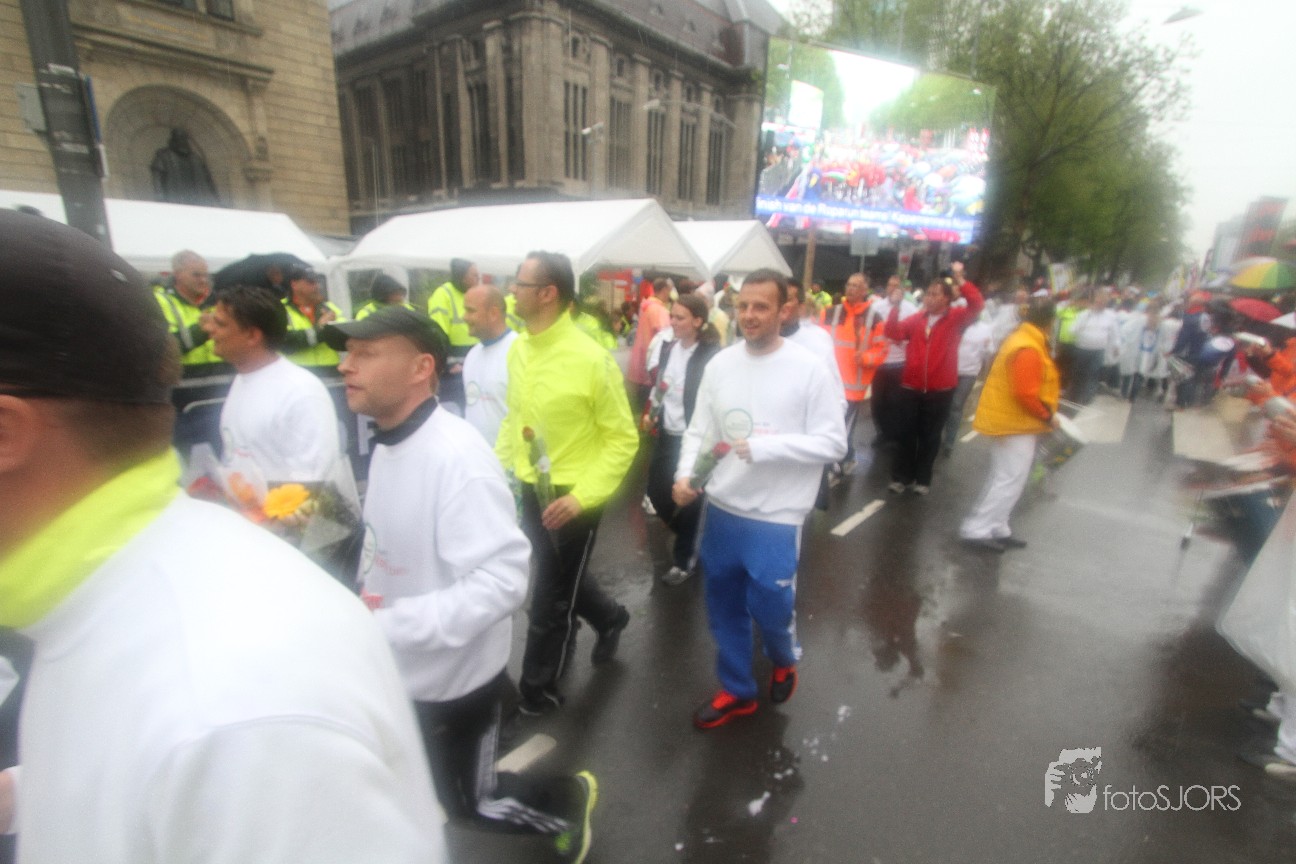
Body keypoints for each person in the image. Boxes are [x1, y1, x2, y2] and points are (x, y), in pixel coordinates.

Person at [0, 209, 445, 863]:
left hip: (311, 542)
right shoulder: (75, 617)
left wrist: (257, 523)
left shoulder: (237, 707)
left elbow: (318, 490)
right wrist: (28, 790)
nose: (206, 328)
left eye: (219, 321)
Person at [323, 307, 598, 862]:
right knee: (418, 786)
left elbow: (502, 582)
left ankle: (569, 804)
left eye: (365, 353)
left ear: (421, 367)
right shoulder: (391, 442)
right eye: (347, 353)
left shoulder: (455, 458)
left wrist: (381, 625)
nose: (345, 366)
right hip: (397, 671)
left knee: (473, 803)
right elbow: (388, 549)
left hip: (453, 683)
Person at [673, 269, 847, 729]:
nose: (748, 315)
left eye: (761, 307)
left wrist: (767, 448)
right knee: (723, 605)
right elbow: (700, 430)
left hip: (778, 515)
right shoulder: (720, 365)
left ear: (784, 310)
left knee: (771, 605)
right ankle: (738, 690)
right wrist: (685, 475)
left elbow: (834, 443)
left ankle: (783, 657)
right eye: (742, 306)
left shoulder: (808, 368)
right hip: (724, 508)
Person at [495, 252, 638, 715]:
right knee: (560, 575)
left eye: (519, 283)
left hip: (573, 496)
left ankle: (536, 691)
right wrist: (498, 471)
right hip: (528, 485)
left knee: (551, 597)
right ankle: (610, 617)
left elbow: (622, 439)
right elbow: (515, 419)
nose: (511, 290)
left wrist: (581, 498)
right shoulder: (519, 349)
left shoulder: (592, 359)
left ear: (547, 293)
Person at [205, 285, 342, 484]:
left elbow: (313, 480)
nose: (209, 329)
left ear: (252, 335)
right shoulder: (243, 379)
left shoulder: (301, 391)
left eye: (220, 323)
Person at [959, 298, 1061, 552]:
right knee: (1008, 478)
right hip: (1015, 425)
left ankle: (997, 525)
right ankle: (978, 528)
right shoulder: (1028, 347)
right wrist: (1047, 416)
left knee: (1011, 478)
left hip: (1016, 423)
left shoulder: (1024, 340)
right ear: (1049, 322)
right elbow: (1025, 393)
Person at [644, 293, 721, 586]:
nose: (673, 322)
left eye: (680, 317)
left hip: (695, 438)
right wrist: (652, 411)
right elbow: (661, 385)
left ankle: (685, 561)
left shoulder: (711, 355)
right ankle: (697, 534)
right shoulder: (668, 348)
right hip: (668, 431)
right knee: (656, 490)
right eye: (672, 316)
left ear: (698, 321)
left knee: (689, 501)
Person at [884, 274, 985, 494]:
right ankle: (901, 477)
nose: (929, 298)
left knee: (930, 436)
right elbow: (892, 332)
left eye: (935, 294)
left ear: (946, 298)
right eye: (928, 294)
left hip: (940, 389)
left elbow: (977, 304)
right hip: (911, 386)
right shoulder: (917, 319)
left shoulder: (956, 318)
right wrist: (895, 307)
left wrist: (961, 280)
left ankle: (922, 479)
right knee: (906, 434)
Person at [820, 273, 872, 470]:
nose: (850, 289)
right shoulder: (829, 312)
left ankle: (837, 465)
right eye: (849, 284)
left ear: (865, 291)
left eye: (856, 286)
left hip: (852, 388)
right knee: (829, 425)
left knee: (842, 428)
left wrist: (866, 358)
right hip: (828, 382)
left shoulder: (873, 318)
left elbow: (881, 348)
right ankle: (845, 458)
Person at [864, 275, 918, 447]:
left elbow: (914, 333)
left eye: (896, 286)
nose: (892, 289)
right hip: (879, 362)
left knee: (895, 401)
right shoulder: (876, 307)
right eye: (890, 285)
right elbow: (869, 331)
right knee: (878, 401)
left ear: (902, 290)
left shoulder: (911, 309)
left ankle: (894, 433)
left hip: (899, 362)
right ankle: (881, 432)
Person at [461, 283, 518, 446]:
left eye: (470, 310)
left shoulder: (519, 352)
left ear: (493, 313)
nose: (464, 317)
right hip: (475, 457)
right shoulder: (472, 355)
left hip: (509, 460)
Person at [427, 258, 481, 414]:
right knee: (455, 410)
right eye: (474, 275)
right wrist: (448, 365)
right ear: (462, 277)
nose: (478, 279)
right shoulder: (443, 294)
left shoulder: (474, 294)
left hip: (472, 364)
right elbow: (437, 334)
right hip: (453, 370)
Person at [154, 250, 222, 372]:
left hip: (221, 377)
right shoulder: (160, 302)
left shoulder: (217, 303)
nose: (203, 280)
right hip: (184, 379)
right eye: (196, 275)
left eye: (205, 275)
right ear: (177, 274)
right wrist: (201, 330)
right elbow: (160, 348)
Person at [942, 312, 995, 454]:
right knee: (943, 403)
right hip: (948, 371)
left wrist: (987, 347)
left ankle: (949, 442)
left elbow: (990, 351)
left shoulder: (985, 329)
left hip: (969, 374)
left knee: (956, 405)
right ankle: (937, 432)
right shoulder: (954, 324)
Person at [282, 266, 345, 372]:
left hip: (330, 370)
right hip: (296, 371)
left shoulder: (329, 308)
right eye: (311, 282)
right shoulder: (280, 309)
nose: (317, 286)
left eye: (317, 282)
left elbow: (344, 337)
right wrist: (321, 328)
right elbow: (287, 343)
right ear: (294, 284)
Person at [1067, 289, 1119, 404]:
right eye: (1098, 302)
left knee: (1093, 374)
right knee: (1078, 374)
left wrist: (1116, 346)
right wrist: (1085, 319)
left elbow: (1114, 333)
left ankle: (1086, 399)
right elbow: (1072, 330)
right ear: (1094, 301)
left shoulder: (1110, 316)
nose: (1100, 305)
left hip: (1098, 351)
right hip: (1082, 349)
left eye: (1103, 303)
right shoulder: (1084, 315)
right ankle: (1073, 397)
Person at [628, 277, 673, 409]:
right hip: (652, 362)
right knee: (649, 403)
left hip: (640, 358)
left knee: (639, 403)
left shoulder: (645, 307)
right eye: (669, 291)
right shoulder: (659, 310)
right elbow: (666, 336)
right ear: (664, 290)